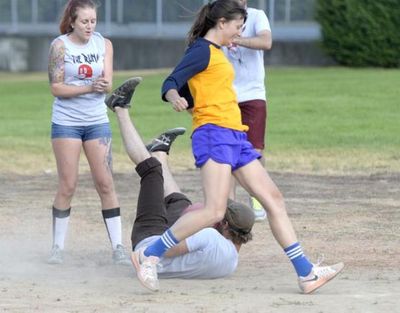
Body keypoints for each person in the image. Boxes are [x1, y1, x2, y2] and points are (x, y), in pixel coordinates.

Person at [132, 0, 343, 294]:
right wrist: (173, 97)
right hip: (213, 135)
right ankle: (149, 254)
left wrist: (188, 99)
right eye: (237, 27)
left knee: (274, 199)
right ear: (221, 23)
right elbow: (172, 81)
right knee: (214, 211)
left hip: (236, 137)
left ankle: (306, 273)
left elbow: (199, 90)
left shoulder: (218, 53)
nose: (239, 33)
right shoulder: (201, 51)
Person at [106, 81, 255, 291]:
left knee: (151, 170)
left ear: (225, 226)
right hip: (169, 247)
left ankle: (119, 107)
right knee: (180, 202)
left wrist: (198, 227)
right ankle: (159, 151)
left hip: (148, 242)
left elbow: (166, 248)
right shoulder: (230, 264)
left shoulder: (210, 237)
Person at [46, 0, 132, 265]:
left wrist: (104, 85)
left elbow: (107, 82)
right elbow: (56, 88)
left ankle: (118, 247)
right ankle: (57, 247)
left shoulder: (103, 44)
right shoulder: (60, 46)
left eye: (93, 21)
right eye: (84, 21)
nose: (89, 26)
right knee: (68, 184)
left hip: (97, 120)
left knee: (105, 183)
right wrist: (87, 88)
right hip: (67, 122)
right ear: (72, 21)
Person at [224, 0, 272, 221]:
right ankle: (228, 204)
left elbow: (266, 41)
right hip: (226, 93)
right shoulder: (218, 18)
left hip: (253, 93)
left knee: (255, 149)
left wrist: (238, 39)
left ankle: (257, 196)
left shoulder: (256, 15)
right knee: (228, 149)